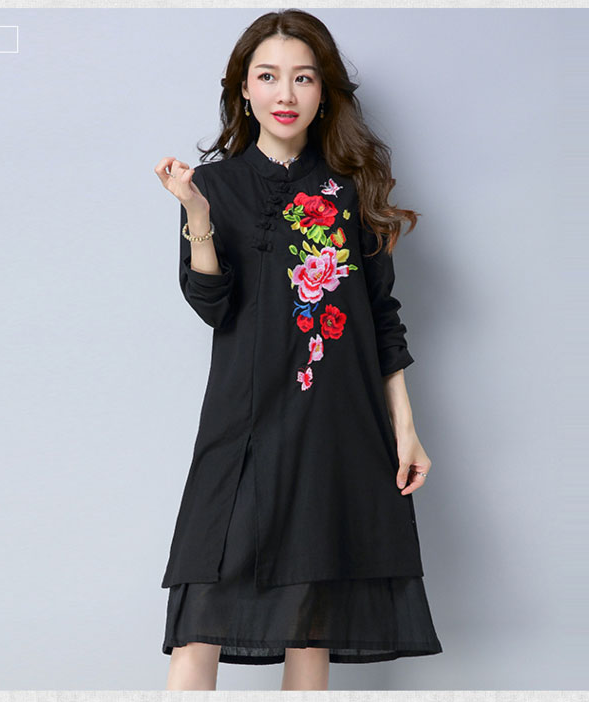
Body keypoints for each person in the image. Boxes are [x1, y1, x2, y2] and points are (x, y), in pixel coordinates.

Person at [153, 9, 442, 691]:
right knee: (198, 622)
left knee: (309, 629)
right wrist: (196, 215)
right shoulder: (212, 187)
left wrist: (406, 429)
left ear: (323, 91)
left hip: (331, 430)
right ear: (243, 89)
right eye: (268, 76)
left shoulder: (350, 189)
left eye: (303, 78)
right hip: (241, 425)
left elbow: (380, 318)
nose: (285, 94)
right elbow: (212, 304)